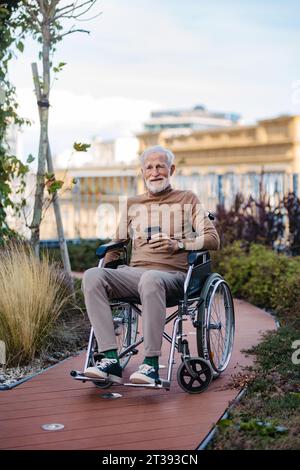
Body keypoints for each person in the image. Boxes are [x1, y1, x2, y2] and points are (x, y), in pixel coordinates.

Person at [82, 145, 220, 385]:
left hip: (173, 277)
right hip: (134, 274)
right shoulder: (132, 204)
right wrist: (107, 267)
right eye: (149, 167)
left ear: (171, 169)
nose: (155, 172)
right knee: (92, 276)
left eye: (160, 166)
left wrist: (178, 244)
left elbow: (213, 239)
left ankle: (151, 365)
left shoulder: (188, 199)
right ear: (142, 172)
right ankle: (110, 359)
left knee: (151, 278)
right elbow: (117, 244)